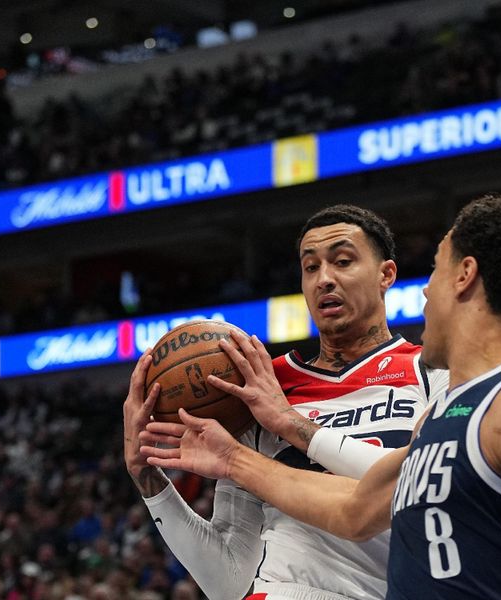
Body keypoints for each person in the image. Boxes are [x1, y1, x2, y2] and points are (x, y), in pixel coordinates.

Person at [141, 194, 501, 599]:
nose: (425, 292)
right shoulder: (438, 422)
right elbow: (357, 511)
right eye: (309, 266)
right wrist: (194, 471)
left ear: (462, 276)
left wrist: (289, 429)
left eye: (436, 270)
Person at [123, 204, 448, 600]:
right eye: (310, 268)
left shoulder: (433, 374)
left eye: (343, 261)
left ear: (386, 274)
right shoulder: (258, 387)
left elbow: (423, 491)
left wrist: (291, 424)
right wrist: (148, 479)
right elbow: (229, 581)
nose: (324, 279)